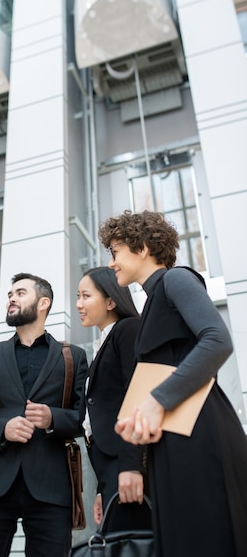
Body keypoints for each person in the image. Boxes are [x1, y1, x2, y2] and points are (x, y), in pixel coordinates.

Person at [98, 209, 247, 557]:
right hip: (175, 434)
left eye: (116, 251)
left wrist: (156, 402)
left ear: (143, 247)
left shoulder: (175, 280)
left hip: (200, 430)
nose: (112, 263)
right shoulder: (151, 303)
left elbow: (217, 340)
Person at [0, 272, 88, 557]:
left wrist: (51, 418)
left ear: (44, 303)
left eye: (20, 293)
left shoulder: (74, 356)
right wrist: (2, 430)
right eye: (9, 295)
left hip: (51, 486)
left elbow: (81, 418)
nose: (11, 299)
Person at [77, 267, 150, 529]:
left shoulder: (128, 329)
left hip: (126, 460)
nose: (78, 304)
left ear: (110, 301)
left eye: (86, 296)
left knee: (133, 541)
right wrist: (100, 488)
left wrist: (132, 466)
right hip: (109, 465)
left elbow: (138, 394)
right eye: (78, 296)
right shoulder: (102, 342)